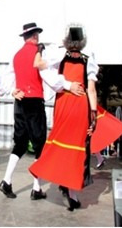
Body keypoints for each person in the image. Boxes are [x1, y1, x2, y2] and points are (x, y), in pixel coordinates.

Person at [0, 22, 82, 200]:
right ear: (36, 36)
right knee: (39, 145)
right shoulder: (39, 53)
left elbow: (6, 78)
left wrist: (13, 90)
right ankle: (36, 188)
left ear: (24, 37)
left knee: (20, 143)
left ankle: (6, 180)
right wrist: (68, 85)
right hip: (34, 102)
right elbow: (50, 77)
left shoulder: (16, 55)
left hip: (19, 102)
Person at [30, 25, 99, 211]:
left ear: (66, 40)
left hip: (64, 103)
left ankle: (38, 183)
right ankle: (72, 194)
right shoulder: (89, 58)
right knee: (76, 150)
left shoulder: (59, 55)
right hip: (81, 104)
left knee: (56, 143)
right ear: (83, 41)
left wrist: (40, 48)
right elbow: (91, 90)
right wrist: (94, 116)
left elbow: (38, 65)